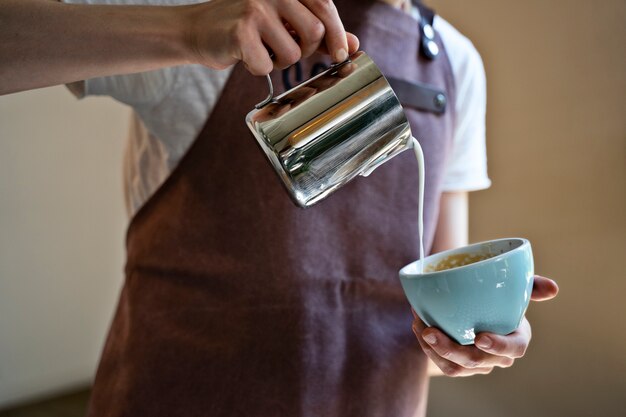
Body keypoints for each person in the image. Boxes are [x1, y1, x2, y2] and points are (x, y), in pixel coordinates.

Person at [2, 0, 559, 416]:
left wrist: (476, 340)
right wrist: (190, 30)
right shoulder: (216, 13)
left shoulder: (455, 62)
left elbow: (438, 321)